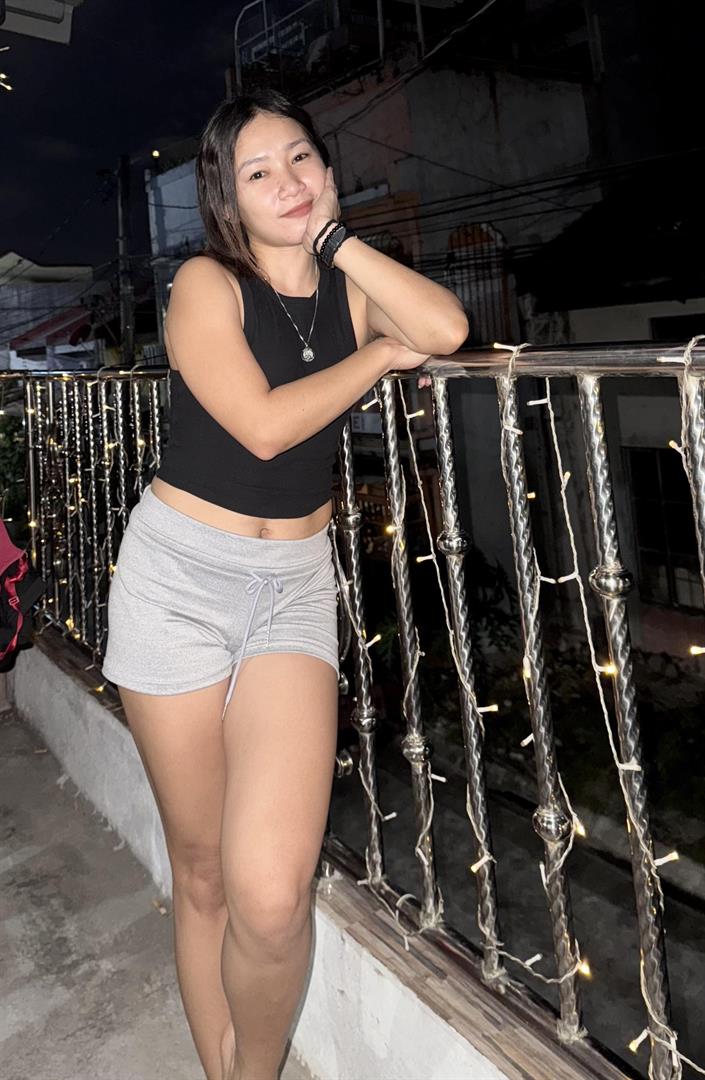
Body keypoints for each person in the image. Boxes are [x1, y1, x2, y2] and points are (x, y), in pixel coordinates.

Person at [101, 87, 468, 1080]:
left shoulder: (346, 285)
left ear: (327, 168)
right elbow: (263, 427)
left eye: (302, 156)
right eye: (258, 171)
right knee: (205, 875)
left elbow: (445, 326)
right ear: (227, 198)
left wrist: (338, 242)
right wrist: (380, 355)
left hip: (294, 587)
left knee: (271, 896)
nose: (288, 180)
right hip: (178, 582)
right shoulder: (204, 285)